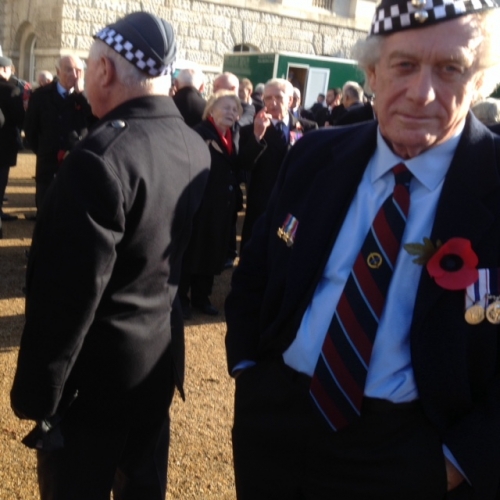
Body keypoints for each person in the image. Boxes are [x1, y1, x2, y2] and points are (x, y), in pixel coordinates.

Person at [225, 0, 500, 498]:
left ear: (480, 80)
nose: (422, 92)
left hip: (413, 452)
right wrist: (249, 374)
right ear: (372, 73)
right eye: (404, 65)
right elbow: (257, 271)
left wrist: (458, 461)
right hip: (277, 429)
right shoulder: (313, 156)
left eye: (450, 68)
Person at [10, 11, 210, 500]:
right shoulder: (192, 144)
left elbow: (67, 295)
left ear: (104, 70)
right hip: (155, 361)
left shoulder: (101, 157)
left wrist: (38, 394)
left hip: (93, 384)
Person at [179, 91, 242, 318]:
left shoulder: (234, 135)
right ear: (211, 110)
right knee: (193, 251)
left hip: (222, 206)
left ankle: (201, 297)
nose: (231, 113)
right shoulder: (199, 133)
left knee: (212, 251)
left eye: (234, 109)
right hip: (201, 204)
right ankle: (181, 299)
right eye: (226, 107)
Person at [238, 77, 317, 250]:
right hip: (262, 205)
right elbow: (244, 164)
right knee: (255, 251)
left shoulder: (308, 128)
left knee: (286, 249)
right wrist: (257, 137)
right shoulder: (250, 130)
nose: (273, 103)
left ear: (290, 100)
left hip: (293, 206)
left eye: (279, 97)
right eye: (268, 98)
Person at [24, 54, 94, 217]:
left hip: (77, 162)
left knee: (74, 214)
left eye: (78, 70)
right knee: (46, 211)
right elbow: (31, 130)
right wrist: (45, 149)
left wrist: (81, 95)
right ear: (58, 71)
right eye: (69, 70)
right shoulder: (41, 95)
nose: (74, 75)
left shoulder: (89, 96)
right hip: (48, 164)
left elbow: (95, 122)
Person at [0, 55, 25, 221]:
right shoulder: (11, 90)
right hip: (5, 141)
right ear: (4, 69)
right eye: (10, 69)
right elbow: (19, 118)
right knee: (1, 177)